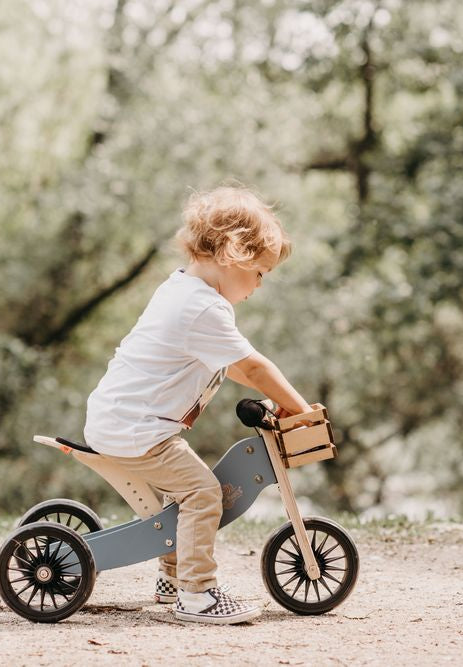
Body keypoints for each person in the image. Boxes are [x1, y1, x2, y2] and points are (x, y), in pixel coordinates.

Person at [83, 185, 312, 624]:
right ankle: (198, 594)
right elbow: (256, 368)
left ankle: (173, 580)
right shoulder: (203, 308)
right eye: (260, 272)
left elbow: (240, 370)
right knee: (204, 493)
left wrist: (280, 400)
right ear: (234, 254)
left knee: (179, 497)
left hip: (126, 421)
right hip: (138, 430)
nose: (260, 285)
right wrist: (300, 409)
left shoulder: (182, 291)